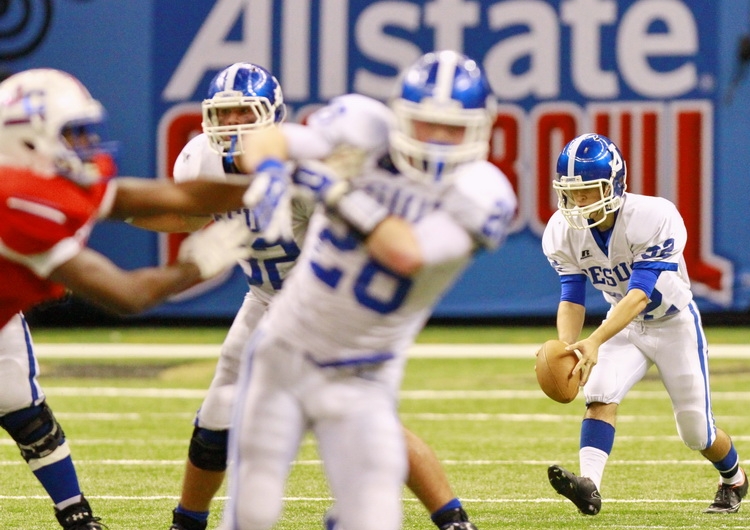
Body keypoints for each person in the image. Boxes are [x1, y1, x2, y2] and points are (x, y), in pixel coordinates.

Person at [130, 62, 485, 530]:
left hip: (320, 303)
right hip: (263, 299)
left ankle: (452, 517)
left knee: (366, 420)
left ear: (272, 115)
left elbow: (362, 235)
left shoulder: (305, 167)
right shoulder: (200, 158)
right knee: (216, 418)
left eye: (245, 112)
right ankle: (187, 520)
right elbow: (187, 217)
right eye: (226, 113)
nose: (235, 124)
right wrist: (112, 215)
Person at [215, 50, 516, 530]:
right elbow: (266, 140)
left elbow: (406, 252)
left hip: (364, 377)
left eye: (452, 128)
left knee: (373, 520)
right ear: (399, 117)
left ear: (480, 128)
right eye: (424, 124)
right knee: (252, 512)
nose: (437, 140)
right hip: (283, 353)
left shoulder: (482, 194)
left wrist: (333, 190)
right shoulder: (362, 126)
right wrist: (271, 170)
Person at [0, 68, 258, 530]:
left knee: (20, 401)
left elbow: (162, 196)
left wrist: (279, 185)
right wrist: (195, 265)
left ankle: (75, 516)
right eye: (72, 133)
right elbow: (127, 295)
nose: (84, 144)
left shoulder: (39, 176)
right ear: (28, 140)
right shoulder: (16, 201)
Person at [540, 133, 749, 516]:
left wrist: (596, 341)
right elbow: (571, 296)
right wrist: (570, 348)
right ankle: (590, 486)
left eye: (588, 190)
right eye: (572, 191)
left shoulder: (654, 216)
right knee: (600, 393)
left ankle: (733, 478)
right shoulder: (562, 230)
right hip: (625, 326)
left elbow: (639, 295)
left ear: (614, 185)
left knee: (696, 432)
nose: (579, 200)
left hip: (673, 325)